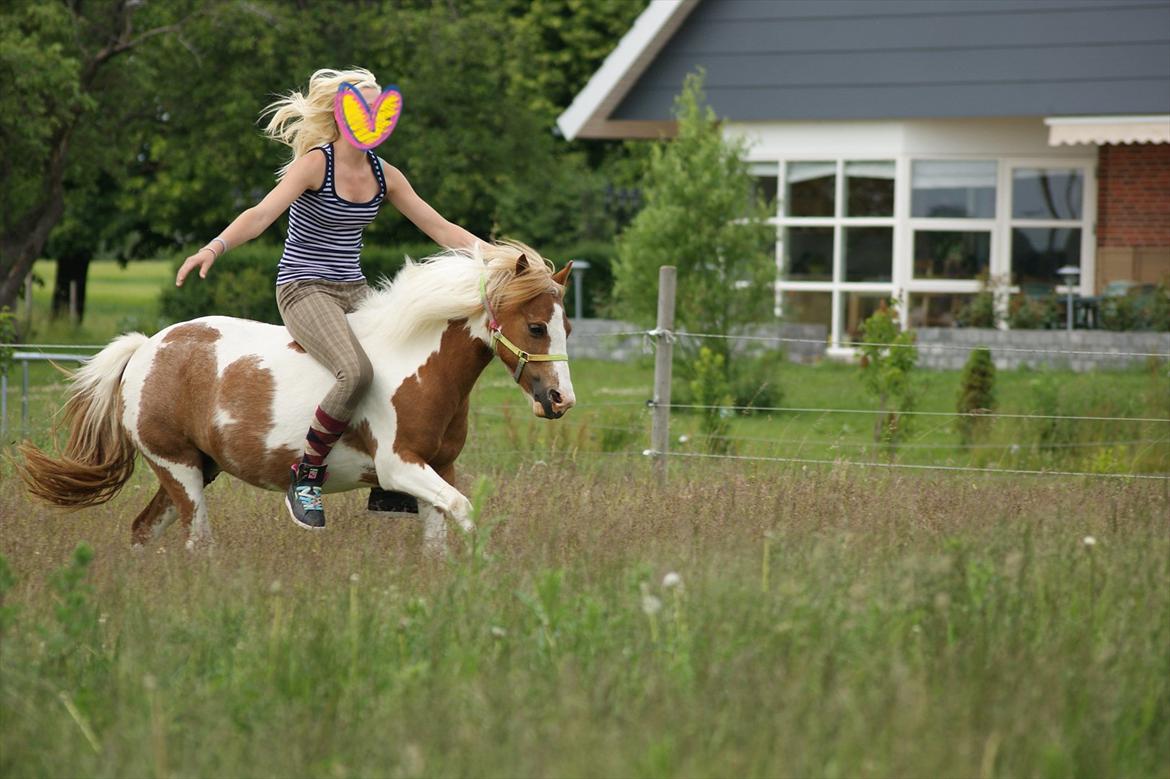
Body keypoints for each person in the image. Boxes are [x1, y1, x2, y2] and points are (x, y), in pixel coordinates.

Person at [175, 67, 482, 530]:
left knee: (401, 367)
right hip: (303, 287)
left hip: (353, 288)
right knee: (355, 372)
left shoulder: (385, 174)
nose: (372, 115)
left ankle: (390, 478)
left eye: (379, 107)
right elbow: (260, 215)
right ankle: (307, 475)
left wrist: (500, 258)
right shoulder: (316, 165)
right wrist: (213, 248)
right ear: (342, 112)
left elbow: (440, 229)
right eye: (364, 106)